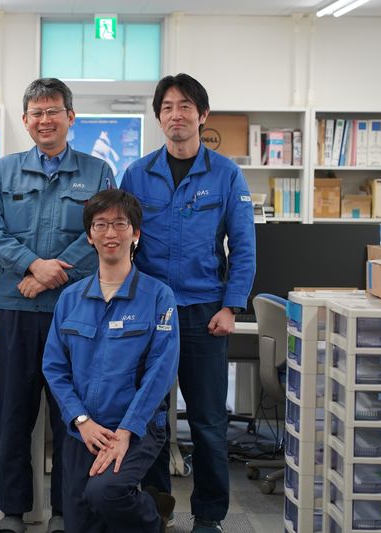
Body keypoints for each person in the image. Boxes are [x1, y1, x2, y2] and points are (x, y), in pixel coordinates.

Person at [119, 73, 256, 533]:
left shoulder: (226, 174)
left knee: (208, 421)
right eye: (167, 107)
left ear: (202, 115)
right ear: (159, 117)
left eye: (185, 106)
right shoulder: (137, 174)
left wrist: (231, 307)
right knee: (149, 416)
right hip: (150, 311)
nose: (175, 115)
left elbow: (244, 246)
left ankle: (209, 516)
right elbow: (123, 241)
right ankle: (156, 509)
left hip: (204, 310)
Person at [0, 77, 115, 533]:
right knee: (13, 413)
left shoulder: (98, 172)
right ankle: (12, 512)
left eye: (53, 111)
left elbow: (102, 231)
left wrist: (51, 275)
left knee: (70, 416)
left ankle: (63, 512)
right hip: (15, 311)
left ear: (70, 117)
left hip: (75, 313)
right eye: (36, 113)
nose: (45, 120)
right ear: (25, 120)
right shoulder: (3, 172)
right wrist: (34, 266)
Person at [42, 189, 180, 533]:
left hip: (137, 426)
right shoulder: (70, 298)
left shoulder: (158, 297)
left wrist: (126, 431)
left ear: (136, 233)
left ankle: (153, 517)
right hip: (85, 429)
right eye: (100, 225)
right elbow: (54, 368)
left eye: (120, 224)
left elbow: (161, 371)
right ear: (90, 236)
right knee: (80, 522)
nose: (110, 233)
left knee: (106, 493)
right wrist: (81, 420)